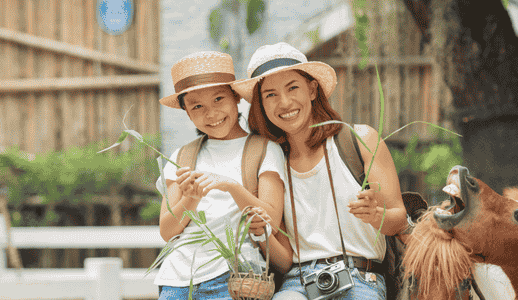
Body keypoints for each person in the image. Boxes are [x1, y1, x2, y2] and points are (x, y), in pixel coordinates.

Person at [232, 42, 408, 300]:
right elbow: (283, 262)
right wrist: (261, 232)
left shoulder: (360, 140)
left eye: (293, 88)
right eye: (270, 94)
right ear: (261, 104)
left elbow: (400, 220)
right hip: (298, 282)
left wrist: (376, 215)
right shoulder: (270, 162)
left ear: (312, 89)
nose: (285, 102)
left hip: (361, 279)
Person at [153, 51, 287, 300]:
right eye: (197, 106)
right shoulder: (182, 156)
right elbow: (167, 230)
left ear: (236, 97)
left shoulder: (264, 149)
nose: (211, 113)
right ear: (186, 111)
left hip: (234, 278)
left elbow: (272, 221)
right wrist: (191, 198)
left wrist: (231, 186)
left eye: (218, 99)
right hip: (176, 281)